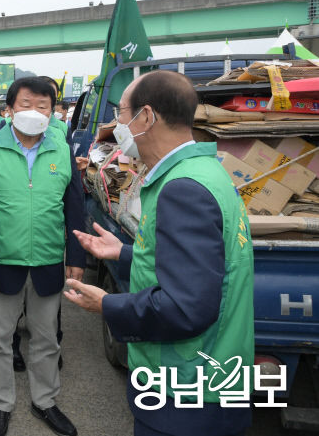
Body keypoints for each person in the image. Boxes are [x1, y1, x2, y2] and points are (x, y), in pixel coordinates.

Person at [64, 70, 254, 436]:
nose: (115, 124)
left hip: (187, 387)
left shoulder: (183, 189)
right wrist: (125, 253)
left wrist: (107, 305)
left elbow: (186, 308)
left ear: (146, 116)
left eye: (120, 112)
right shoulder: (202, 171)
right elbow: (204, 266)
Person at [0, 77, 85, 436]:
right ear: (9, 109)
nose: (34, 112)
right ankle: (0, 404)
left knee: (47, 338)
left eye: (43, 106)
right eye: (26, 104)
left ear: (52, 111)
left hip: (48, 260)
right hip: (0, 261)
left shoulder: (61, 148)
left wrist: (75, 256)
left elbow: (75, 208)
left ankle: (45, 401)